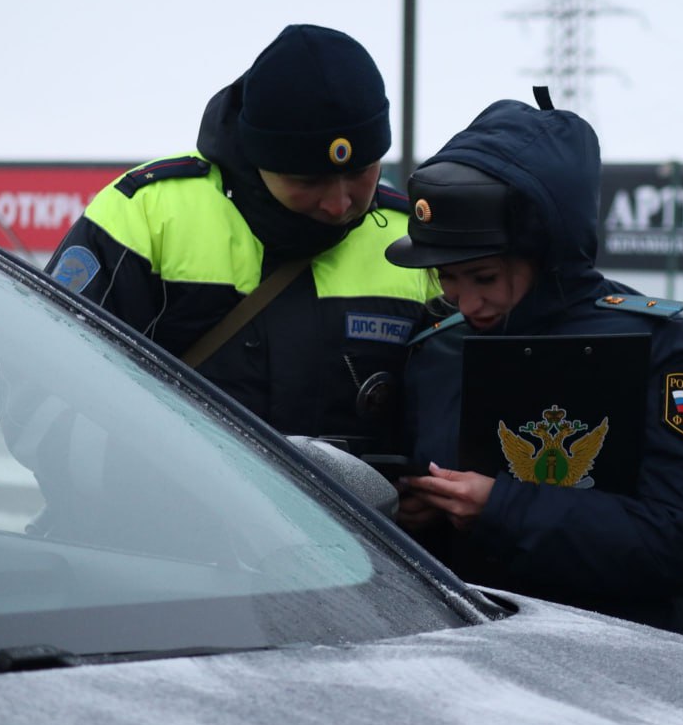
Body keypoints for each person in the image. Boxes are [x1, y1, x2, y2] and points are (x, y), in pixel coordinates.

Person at [383, 92, 683, 640]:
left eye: (485, 278)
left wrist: (502, 508)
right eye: (446, 280)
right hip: (477, 655)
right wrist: (409, 514)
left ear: (547, 251)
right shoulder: (436, 348)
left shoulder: (659, 345)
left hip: (625, 657)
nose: (466, 303)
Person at [35, 23, 437, 445]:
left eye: (360, 172)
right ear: (257, 157)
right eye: (308, 180)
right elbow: (42, 394)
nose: (338, 204)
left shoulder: (412, 239)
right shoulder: (145, 217)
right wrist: (140, 491)